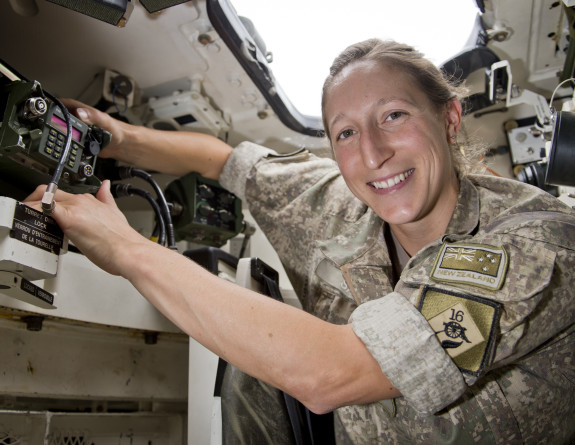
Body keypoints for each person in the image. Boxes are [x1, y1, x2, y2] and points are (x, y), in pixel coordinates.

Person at [25, 39, 575, 444]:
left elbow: (332, 372)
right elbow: (224, 160)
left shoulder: (537, 239)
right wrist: (119, 138)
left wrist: (125, 248)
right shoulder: (335, 201)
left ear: (450, 118)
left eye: (395, 115)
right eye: (345, 132)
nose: (373, 153)